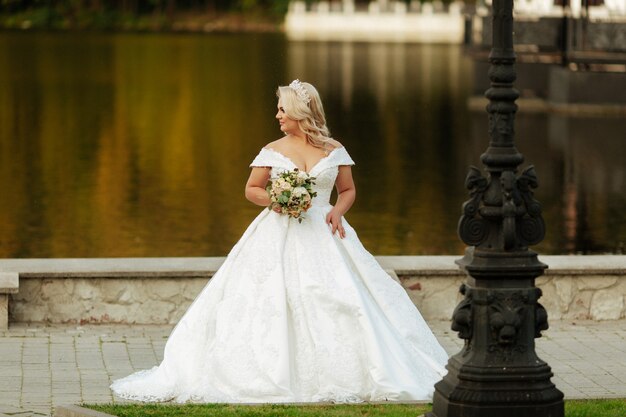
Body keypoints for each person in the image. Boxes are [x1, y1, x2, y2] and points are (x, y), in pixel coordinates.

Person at [110, 80, 448, 403]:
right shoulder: (272, 151)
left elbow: (347, 190)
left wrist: (338, 212)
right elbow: (251, 189)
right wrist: (277, 200)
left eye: (282, 109)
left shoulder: (335, 150)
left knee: (341, 298)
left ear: (300, 112)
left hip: (326, 232)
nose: (277, 115)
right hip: (279, 231)